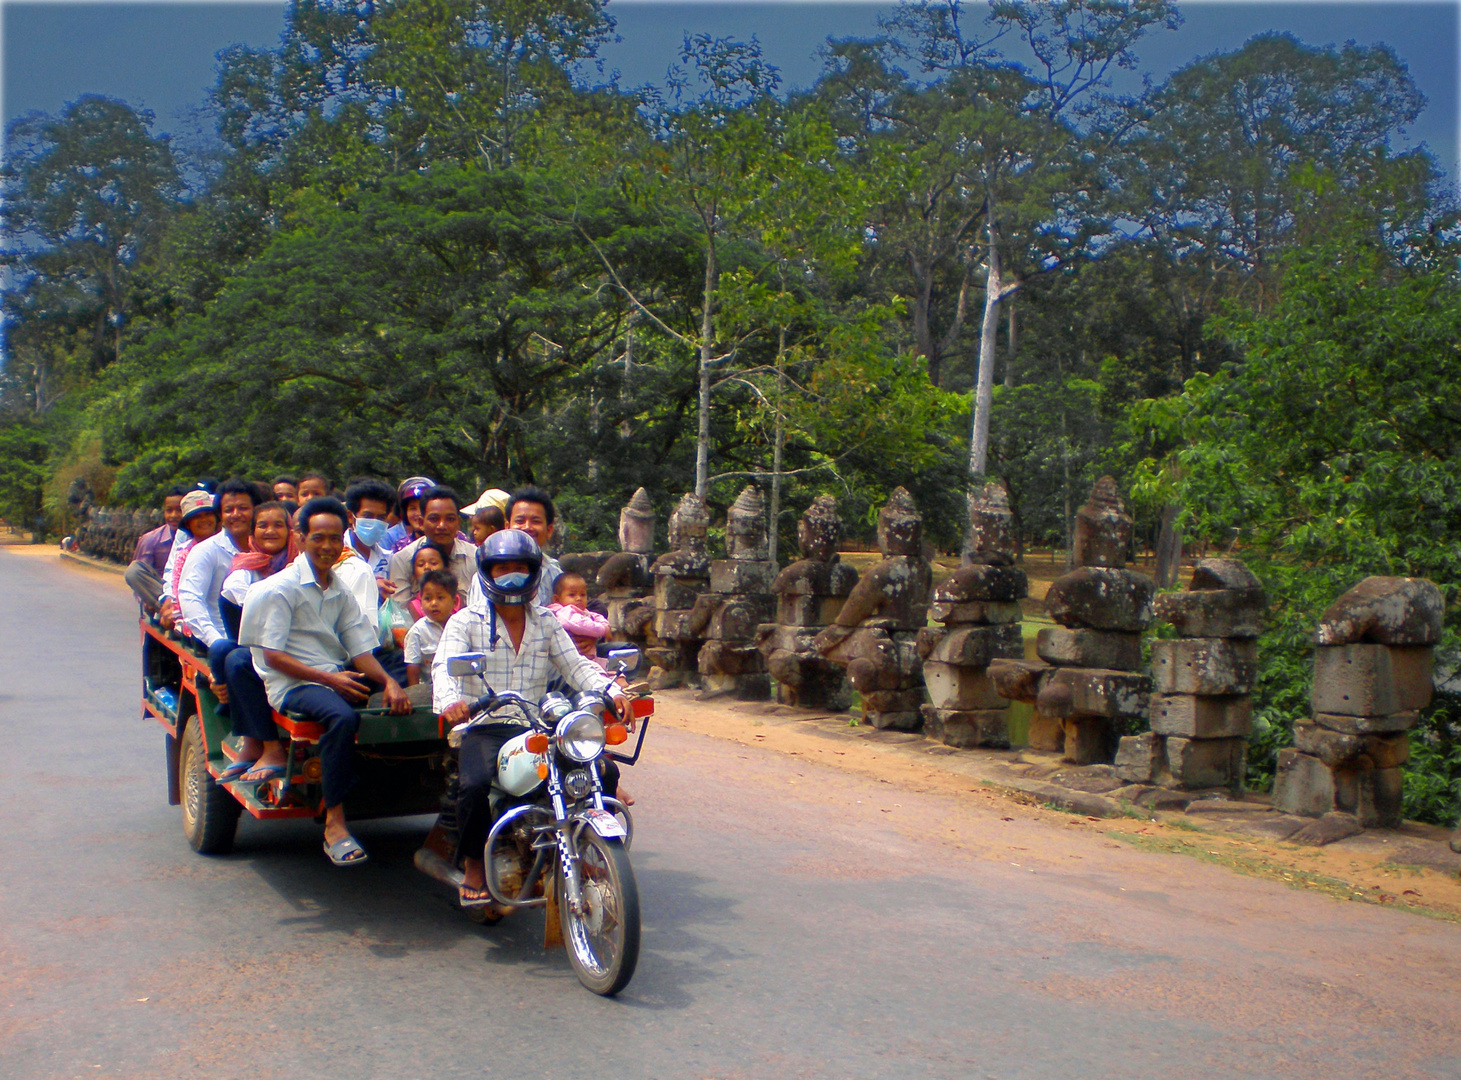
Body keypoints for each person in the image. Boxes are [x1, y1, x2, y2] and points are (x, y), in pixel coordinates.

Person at [433, 529, 626, 908]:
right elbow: (444, 669)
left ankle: (591, 850)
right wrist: (452, 702)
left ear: (534, 572)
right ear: (487, 572)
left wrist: (613, 690)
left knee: (602, 771)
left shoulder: (546, 622)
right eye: (502, 568)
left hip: (536, 724)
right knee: (472, 787)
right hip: (485, 724)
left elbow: (576, 666)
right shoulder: (465, 622)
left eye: (520, 568)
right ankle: (474, 863)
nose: (511, 575)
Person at [238, 497, 411, 866]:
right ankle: (334, 823)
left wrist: (389, 683)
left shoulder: (340, 588)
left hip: (333, 675)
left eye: (335, 538)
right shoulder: (281, 588)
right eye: (319, 538)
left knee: (404, 688)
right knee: (343, 718)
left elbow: (361, 648)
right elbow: (273, 656)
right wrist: (329, 679)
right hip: (294, 684)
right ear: (300, 538)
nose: (328, 546)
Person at [210, 502, 297, 780]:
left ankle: (260, 745)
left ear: (290, 531)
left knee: (236, 659)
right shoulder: (243, 573)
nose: (270, 531)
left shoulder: (302, 565)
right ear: (253, 532)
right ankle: (261, 745)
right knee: (231, 655)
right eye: (263, 525)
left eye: (278, 525)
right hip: (262, 648)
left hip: (301, 646)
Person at [177, 478, 256, 648]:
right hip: (222, 641)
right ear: (220, 515)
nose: (236, 514)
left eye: (243, 508)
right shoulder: (206, 551)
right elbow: (190, 597)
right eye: (229, 510)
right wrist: (215, 641)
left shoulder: (267, 548)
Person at [387, 485, 477, 599]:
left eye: (450, 519)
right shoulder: (402, 560)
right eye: (434, 519)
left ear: (458, 523)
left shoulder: (475, 558)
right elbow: (400, 610)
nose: (442, 526)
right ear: (421, 523)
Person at [158, 490, 220, 632]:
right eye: (197, 517)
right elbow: (179, 589)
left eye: (208, 515)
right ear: (188, 524)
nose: (204, 520)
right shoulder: (185, 552)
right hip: (195, 618)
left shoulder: (226, 546)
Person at [124, 485, 186, 612]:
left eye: (179, 510)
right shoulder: (150, 540)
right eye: (169, 510)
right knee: (133, 571)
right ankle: (170, 610)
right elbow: (141, 582)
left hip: (194, 594)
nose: (174, 515)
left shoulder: (201, 537)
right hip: (162, 598)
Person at [506, 485, 563, 606]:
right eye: (520, 521)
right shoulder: (488, 573)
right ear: (507, 527)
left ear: (549, 530)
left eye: (536, 521)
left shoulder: (555, 575)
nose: (527, 527)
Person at [404, 569, 457, 686]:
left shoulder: (461, 625)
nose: (433, 603)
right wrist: (416, 693)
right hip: (430, 688)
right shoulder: (417, 631)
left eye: (440, 598)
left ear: (454, 601)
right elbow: (413, 666)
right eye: (428, 598)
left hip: (458, 686)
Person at [342, 479, 397, 586]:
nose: (375, 522)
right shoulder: (336, 554)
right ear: (350, 516)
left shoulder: (389, 559)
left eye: (381, 517)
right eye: (368, 516)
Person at [548, 572, 609, 661]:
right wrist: (602, 630)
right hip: (575, 658)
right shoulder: (564, 612)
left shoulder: (581, 610)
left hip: (589, 655)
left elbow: (594, 616)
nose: (578, 598)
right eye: (572, 595)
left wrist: (605, 624)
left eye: (582, 594)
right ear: (557, 599)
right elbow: (578, 624)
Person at [384, 476, 434, 552]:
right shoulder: (399, 548)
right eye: (412, 508)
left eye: (423, 507)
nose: (419, 514)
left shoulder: (453, 539)